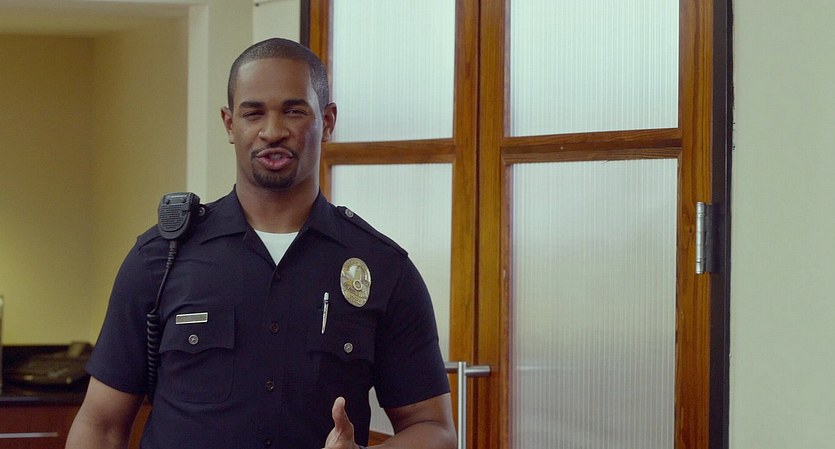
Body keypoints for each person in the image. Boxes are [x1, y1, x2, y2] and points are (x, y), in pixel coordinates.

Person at [66, 37, 456, 449]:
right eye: (253, 113)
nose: (273, 131)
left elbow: (434, 429)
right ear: (229, 124)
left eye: (294, 111)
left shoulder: (382, 268)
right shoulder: (160, 260)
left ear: (327, 121)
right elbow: (101, 425)